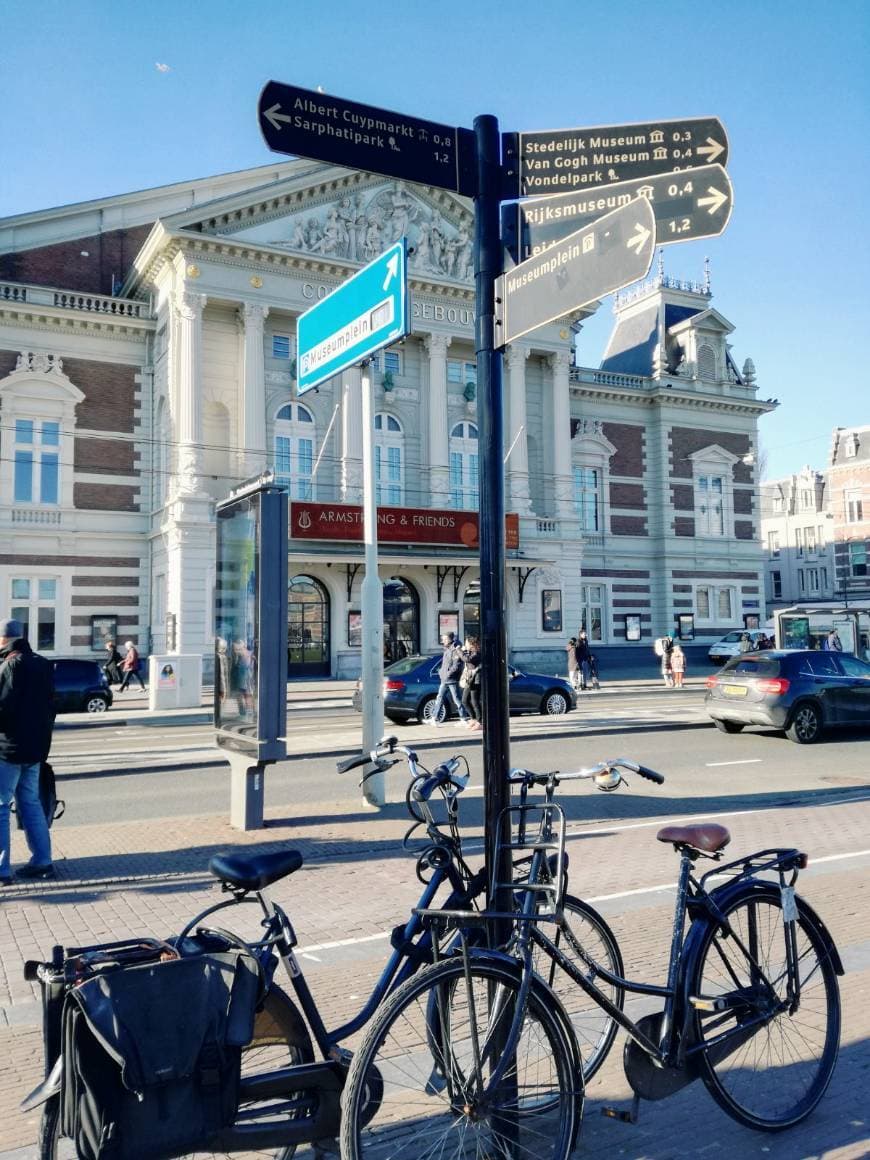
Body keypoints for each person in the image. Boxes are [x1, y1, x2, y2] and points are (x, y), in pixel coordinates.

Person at [0, 618, 56, 883]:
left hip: (7, 749)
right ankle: (43, 861)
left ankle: (1, 870)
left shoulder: (9, 665)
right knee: (31, 803)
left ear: (3, 639)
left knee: (0, 807)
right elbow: (51, 708)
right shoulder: (42, 664)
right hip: (35, 749)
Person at [431, 632, 469, 726]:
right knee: (439, 697)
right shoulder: (447, 649)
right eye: (443, 639)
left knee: (456, 699)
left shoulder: (455, 649)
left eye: (444, 639)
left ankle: (463, 718)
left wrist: (447, 674)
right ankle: (434, 718)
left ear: (449, 639)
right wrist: (441, 672)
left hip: (451, 680)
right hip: (445, 679)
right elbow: (444, 664)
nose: (443, 641)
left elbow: (456, 666)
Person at [460, 635, 483, 731]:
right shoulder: (470, 652)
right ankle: (473, 718)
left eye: (466, 643)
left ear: (471, 644)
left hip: (476, 680)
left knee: (475, 701)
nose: (465, 644)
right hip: (469, 679)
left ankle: (480, 722)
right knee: (465, 701)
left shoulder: (477, 653)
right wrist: (463, 651)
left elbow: (467, 659)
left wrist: (459, 650)